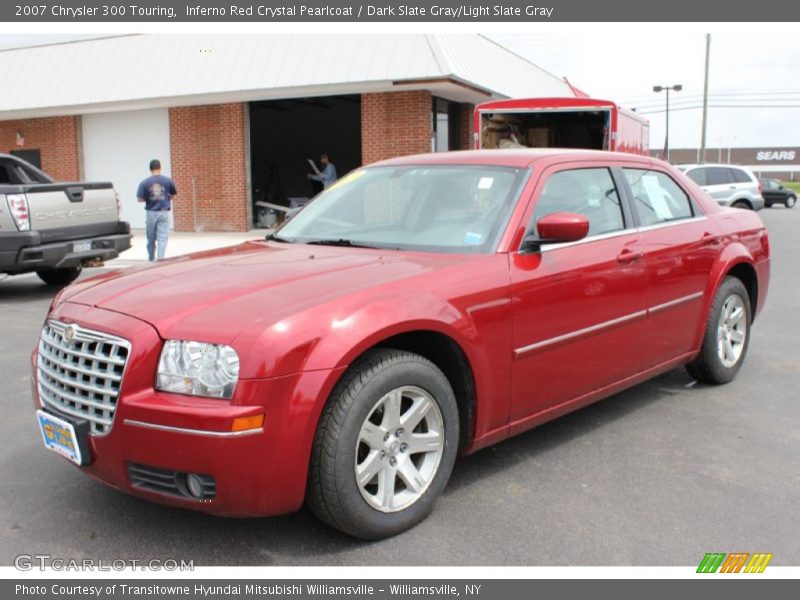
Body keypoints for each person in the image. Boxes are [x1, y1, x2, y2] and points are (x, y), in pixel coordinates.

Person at [136, 159, 177, 262]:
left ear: (150, 169)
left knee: (151, 239)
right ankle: (160, 261)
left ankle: (151, 259)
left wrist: (149, 198)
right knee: (162, 238)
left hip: (151, 213)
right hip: (164, 212)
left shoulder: (144, 183)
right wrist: (166, 198)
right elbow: (173, 194)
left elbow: (139, 199)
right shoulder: (168, 181)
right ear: (160, 167)